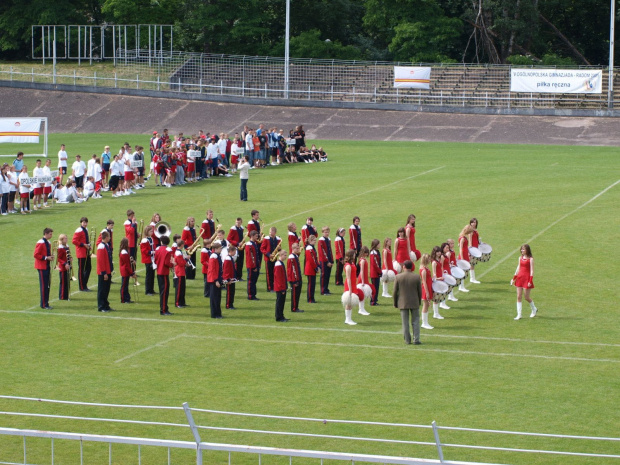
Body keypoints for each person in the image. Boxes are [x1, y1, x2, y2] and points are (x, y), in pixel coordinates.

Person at [393, 260, 423, 345]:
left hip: (403, 302)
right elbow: (419, 291)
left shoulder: (398, 277)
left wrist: (395, 303)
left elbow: (395, 291)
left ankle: (407, 340)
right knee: (416, 321)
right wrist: (419, 301)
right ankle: (416, 339)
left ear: (404, 267)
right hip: (414, 301)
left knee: (405, 322)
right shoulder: (416, 277)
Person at [511, 244, 538, 320]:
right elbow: (518, 268)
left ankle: (534, 309)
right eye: (521, 249)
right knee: (518, 296)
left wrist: (530, 280)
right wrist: (513, 279)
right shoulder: (520, 258)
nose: (522, 250)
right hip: (520, 278)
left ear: (527, 250)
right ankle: (519, 314)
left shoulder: (531, 259)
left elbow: (532, 271)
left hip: (526, 279)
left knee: (526, 297)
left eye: (523, 249)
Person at [342, 249, 364, 325]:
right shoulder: (348, 266)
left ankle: (349, 319)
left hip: (353, 284)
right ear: (351, 255)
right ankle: (347, 319)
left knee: (350, 303)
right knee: (348, 303)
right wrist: (350, 290)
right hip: (349, 286)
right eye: (354, 254)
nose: (355, 255)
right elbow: (348, 278)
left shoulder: (352, 264)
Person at [34, 227, 54, 309]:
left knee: (47, 285)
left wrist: (51, 257)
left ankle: (46, 303)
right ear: (45, 234)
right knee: (44, 286)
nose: (51, 235)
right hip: (42, 267)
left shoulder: (48, 242)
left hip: (46, 265)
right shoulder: (41, 242)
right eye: (50, 234)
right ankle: (44, 304)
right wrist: (46, 258)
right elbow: (36, 254)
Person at [154, 235, 174, 315]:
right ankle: (163, 310)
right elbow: (166, 263)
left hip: (159, 272)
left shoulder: (157, 249)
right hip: (164, 273)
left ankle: (163, 308)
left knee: (162, 292)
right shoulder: (168, 250)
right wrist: (172, 265)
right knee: (165, 292)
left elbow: (155, 260)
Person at [72, 217, 92, 292]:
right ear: (81, 223)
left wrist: (88, 245)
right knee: (81, 270)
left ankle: (84, 284)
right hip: (81, 252)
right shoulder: (79, 230)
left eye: (86, 222)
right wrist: (83, 245)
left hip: (86, 251)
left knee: (88, 268)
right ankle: (82, 286)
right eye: (83, 222)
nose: (85, 224)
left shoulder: (86, 229)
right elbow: (74, 241)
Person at [96, 230, 113, 312]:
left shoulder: (106, 245)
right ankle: (101, 306)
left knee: (106, 289)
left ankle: (106, 305)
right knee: (102, 290)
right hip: (103, 272)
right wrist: (104, 273)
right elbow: (100, 261)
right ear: (106, 237)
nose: (110, 238)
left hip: (107, 271)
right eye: (109, 237)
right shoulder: (101, 247)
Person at [207, 241, 224, 318]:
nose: (221, 249)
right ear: (216, 249)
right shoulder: (214, 257)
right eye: (220, 248)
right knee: (214, 298)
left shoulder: (217, 256)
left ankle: (218, 313)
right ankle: (214, 314)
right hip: (214, 280)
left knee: (217, 297)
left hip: (217, 279)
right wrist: (216, 280)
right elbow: (212, 270)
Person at [458, 224, 475, 293]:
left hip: (465, 255)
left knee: (464, 272)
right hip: (463, 256)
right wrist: (462, 259)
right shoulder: (462, 238)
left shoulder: (463, 237)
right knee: (462, 272)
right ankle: (461, 287)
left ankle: (462, 286)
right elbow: (461, 249)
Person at [419, 254, 434, 330]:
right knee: (425, 305)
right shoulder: (423, 270)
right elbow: (424, 281)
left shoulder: (426, 268)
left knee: (427, 305)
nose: (430, 260)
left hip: (428, 287)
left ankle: (425, 322)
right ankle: (424, 323)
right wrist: (427, 292)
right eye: (428, 259)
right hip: (426, 288)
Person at [274, 249, 290, 322]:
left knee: (282, 302)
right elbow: (279, 278)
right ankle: (279, 317)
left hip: (282, 286)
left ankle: (281, 315)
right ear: (280, 255)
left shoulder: (281, 263)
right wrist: (282, 288)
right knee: (279, 303)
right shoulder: (278, 264)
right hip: (280, 287)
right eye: (284, 255)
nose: (285, 257)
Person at [140, 225, 156, 296]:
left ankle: (151, 289)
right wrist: (152, 252)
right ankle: (147, 290)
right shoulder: (144, 240)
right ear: (147, 232)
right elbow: (144, 251)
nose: (152, 232)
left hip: (152, 259)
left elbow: (153, 247)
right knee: (149, 275)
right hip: (148, 259)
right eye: (150, 231)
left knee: (152, 275)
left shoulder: (151, 238)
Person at [318, 226, 334, 296]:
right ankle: (323, 290)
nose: (326, 233)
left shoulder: (328, 239)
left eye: (327, 232)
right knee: (324, 275)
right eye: (325, 232)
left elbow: (330, 251)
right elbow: (322, 252)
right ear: (322, 233)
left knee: (328, 275)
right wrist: (327, 261)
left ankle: (326, 289)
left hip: (329, 260)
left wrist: (332, 261)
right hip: (324, 261)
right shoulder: (321, 240)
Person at [119, 238, 135, 304]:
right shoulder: (124, 252)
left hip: (125, 270)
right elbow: (127, 265)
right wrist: (131, 273)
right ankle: (123, 299)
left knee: (125, 285)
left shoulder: (124, 251)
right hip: (125, 271)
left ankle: (127, 298)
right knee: (124, 286)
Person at [245, 230, 260, 300]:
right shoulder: (249, 245)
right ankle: (251, 295)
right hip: (252, 266)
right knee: (251, 281)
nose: (257, 237)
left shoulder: (254, 243)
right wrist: (254, 267)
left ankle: (253, 294)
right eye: (256, 236)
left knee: (254, 281)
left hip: (255, 265)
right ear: (252, 236)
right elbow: (250, 257)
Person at [56, 234, 71, 301]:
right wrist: (65, 263)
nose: (66, 239)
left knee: (67, 281)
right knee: (63, 282)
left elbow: (68, 254)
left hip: (67, 266)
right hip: (63, 267)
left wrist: (71, 258)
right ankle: (62, 296)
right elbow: (58, 258)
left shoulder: (67, 246)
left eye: (66, 238)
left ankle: (66, 295)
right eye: (65, 238)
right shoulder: (60, 248)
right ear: (61, 240)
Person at [304, 235, 319, 304]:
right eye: (313, 240)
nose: (315, 242)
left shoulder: (311, 247)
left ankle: (312, 298)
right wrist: (316, 268)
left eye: (315, 240)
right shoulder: (309, 248)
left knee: (312, 284)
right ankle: (310, 299)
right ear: (310, 241)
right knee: (311, 285)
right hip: (310, 269)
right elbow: (311, 260)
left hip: (311, 269)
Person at [173, 240, 188, 308]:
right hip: (179, 272)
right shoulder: (178, 253)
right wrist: (186, 259)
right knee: (179, 289)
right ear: (181, 245)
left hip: (181, 271)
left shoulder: (179, 252)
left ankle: (182, 302)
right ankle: (178, 303)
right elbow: (181, 263)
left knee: (182, 288)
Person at [223, 244, 237, 309]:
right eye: (234, 251)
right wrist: (228, 279)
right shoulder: (228, 259)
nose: (235, 253)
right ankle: (228, 305)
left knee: (232, 292)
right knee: (229, 292)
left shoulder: (230, 258)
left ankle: (231, 304)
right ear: (231, 251)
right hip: (229, 279)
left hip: (232, 278)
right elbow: (226, 270)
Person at [469, 217, 482, 284]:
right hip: (473, 249)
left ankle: (473, 278)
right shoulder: (470, 231)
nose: (474, 223)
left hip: (476, 248)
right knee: (472, 264)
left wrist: (481, 243)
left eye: (475, 222)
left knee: (473, 264)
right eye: (473, 222)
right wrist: (471, 250)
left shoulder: (475, 230)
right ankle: (472, 278)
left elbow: (477, 240)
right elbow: (470, 241)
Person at [369, 239, 382, 305]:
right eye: (379, 244)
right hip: (374, 273)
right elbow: (375, 264)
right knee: (375, 288)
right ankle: (373, 301)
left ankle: (375, 300)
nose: (380, 245)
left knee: (376, 287)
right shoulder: (373, 253)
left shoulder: (376, 252)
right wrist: (380, 272)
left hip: (376, 273)